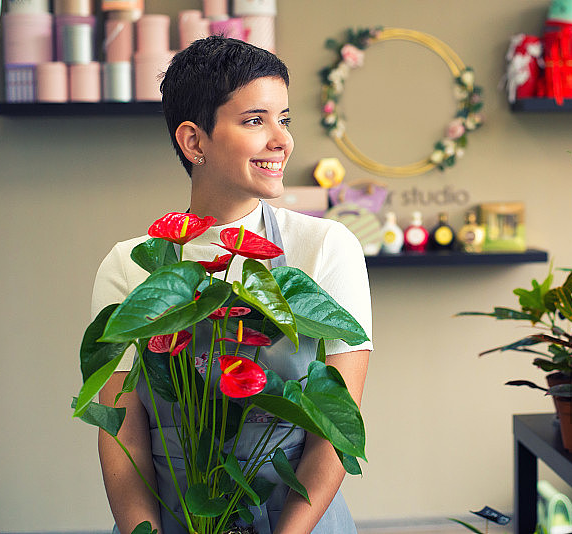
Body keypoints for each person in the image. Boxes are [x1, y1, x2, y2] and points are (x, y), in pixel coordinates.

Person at [92, 36, 372, 534]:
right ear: (194, 141)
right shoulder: (131, 266)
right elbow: (123, 435)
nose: (281, 140)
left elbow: (333, 431)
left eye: (283, 119)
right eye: (254, 120)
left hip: (299, 524)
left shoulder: (326, 247)